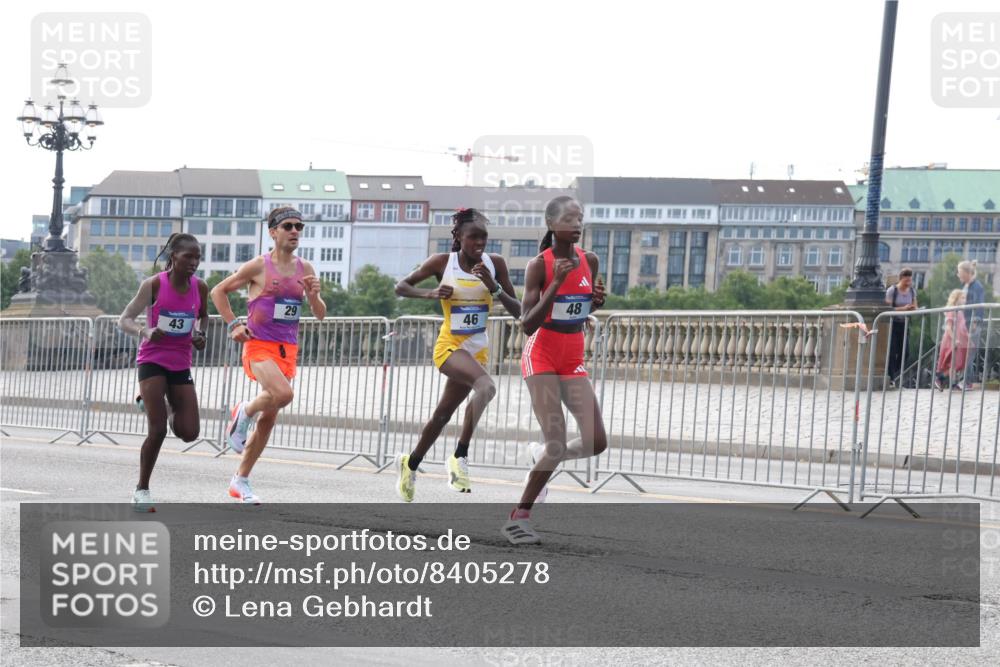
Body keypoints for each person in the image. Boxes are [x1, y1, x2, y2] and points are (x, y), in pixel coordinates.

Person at [393, 208, 520, 501]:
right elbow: (401, 287)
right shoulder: (442, 263)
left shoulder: (495, 264)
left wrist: (494, 286)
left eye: (484, 237)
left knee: (442, 415)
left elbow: (519, 312)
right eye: (473, 237)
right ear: (458, 237)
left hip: (478, 350)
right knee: (487, 387)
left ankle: (410, 464)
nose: (479, 243)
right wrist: (431, 293)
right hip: (449, 347)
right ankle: (459, 457)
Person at [502, 195, 607, 545]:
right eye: (570, 218)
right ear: (552, 224)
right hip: (542, 355)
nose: (577, 224)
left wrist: (593, 302)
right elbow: (527, 323)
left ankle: (541, 457)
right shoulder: (539, 265)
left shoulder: (589, 260)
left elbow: (578, 305)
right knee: (558, 442)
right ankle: (519, 517)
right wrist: (555, 287)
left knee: (596, 441)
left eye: (580, 218)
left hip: (573, 356)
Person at [210, 207, 326, 504]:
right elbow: (218, 292)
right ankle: (244, 411)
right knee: (284, 394)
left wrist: (314, 295)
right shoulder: (258, 266)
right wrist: (234, 323)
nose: (295, 231)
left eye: (299, 226)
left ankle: (240, 480)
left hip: (287, 349)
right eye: (288, 226)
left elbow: (320, 315)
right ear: (273, 232)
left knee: (269, 420)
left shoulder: (306, 269)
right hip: (258, 345)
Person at [117, 233, 208, 512]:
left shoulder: (200, 287)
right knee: (157, 430)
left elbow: (204, 315)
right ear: (173, 257)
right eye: (188, 257)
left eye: (197, 257)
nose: (193, 262)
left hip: (180, 362)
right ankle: (141, 490)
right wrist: (145, 331)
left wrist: (200, 333)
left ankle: (163, 406)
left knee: (189, 432)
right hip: (153, 360)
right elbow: (125, 320)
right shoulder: (154, 284)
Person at [884, 268, 918, 388]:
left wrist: (913, 309)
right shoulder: (892, 291)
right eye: (906, 279)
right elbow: (887, 308)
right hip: (893, 324)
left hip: (905, 323)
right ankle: (891, 377)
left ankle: (893, 373)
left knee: (905, 352)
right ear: (901, 279)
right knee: (892, 351)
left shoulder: (912, 291)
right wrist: (902, 309)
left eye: (910, 279)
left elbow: (915, 306)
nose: (908, 282)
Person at [957, 260, 986, 389]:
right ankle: (965, 380)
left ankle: (967, 382)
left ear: (965, 272)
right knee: (966, 353)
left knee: (969, 353)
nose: (958, 275)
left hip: (972, 324)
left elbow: (979, 305)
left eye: (959, 272)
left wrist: (974, 322)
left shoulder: (976, 286)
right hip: (965, 323)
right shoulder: (968, 285)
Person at [935, 290, 969, 391]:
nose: (964, 300)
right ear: (956, 299)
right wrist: (954, 339)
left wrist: (967, 337)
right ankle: (941, 379)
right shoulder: (952, 311)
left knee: (956, 363)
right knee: (953, 363)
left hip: (959, 340)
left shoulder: (960, 312)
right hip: (951, 340)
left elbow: (962, 327)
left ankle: (952, 383)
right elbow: (948, 328)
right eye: (962, 298)